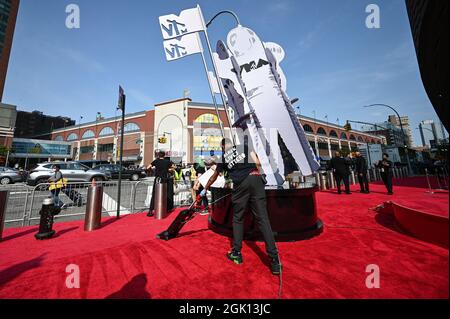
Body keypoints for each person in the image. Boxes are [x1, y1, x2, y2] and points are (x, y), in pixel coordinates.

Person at [202, 137, 281, 275]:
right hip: (256, 179)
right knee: (263, 219)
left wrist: (206, 187)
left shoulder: (223, 158)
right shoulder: (244, 147)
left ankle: (236, 253)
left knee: (238, 218)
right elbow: (258, 162)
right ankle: (275, 261)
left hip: (241, 184)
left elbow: (214, 176)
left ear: (222, 147)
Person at [147, 151, 175, 217]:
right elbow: (173, 167)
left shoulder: (156, 161)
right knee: (165, 194)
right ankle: (166, 208)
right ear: (164, 155)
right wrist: (168, 170)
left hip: (157, 179)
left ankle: (151, 210)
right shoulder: (167, 162)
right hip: (165, 179)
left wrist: (152, 170)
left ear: (158, 155)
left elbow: (148, 167)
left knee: (154, 194)